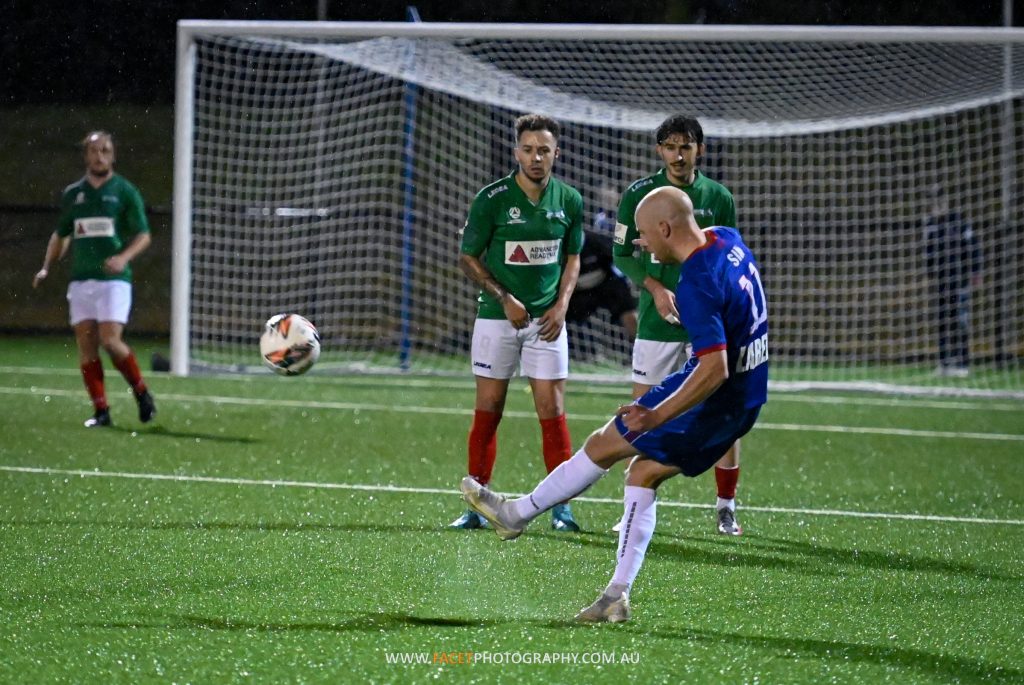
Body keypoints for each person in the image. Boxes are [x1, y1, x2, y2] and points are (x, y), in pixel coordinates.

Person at [460, 187, 769, 623]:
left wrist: (656, 414)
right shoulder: (725, 238)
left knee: (614, 443)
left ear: (665, 228)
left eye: (645, 234)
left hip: (721, 396)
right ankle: (612, 598)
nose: (641, 244)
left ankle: (517, 514)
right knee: (637, 467)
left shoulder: (698, 281)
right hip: (746, 386)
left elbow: (714, 368)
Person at [449, 113, 584, 532]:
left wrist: (561, 306)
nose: (536, 157)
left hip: (547, 323)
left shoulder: (570, 200)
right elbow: (468, 256)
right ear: (516, 152)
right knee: (489, 408)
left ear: (556, 153)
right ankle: (475, 503)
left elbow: (573, 257)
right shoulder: (492, 199)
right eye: (528, 149)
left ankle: (561, 509)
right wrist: (504, 297)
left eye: (544, 150)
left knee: (552, 409)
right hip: (496, 319)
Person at [613, 114, 745, 536]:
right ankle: (633, 508)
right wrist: (653, 287)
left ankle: (726, 506)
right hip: (655, 325)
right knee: (640, 413)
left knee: (723, 413)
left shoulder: (719, 197)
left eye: (686, 146)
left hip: (704, 324)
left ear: (699, 151)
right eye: (670, 146)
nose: (678, 154)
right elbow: (621, 254)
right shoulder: (638, 194)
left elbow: (725, 256)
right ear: (659, 151)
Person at [32, 131, 156, 428]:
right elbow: (61, 234)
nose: (99, 155)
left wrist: (123, 257)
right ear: (85, 155)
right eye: (93, 150)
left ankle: (141, 392)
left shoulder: (125, 191)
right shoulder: (73, 194)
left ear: (113, 155)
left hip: (114, 281)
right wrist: (46, 266)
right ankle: (101, 411)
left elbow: (144, 235)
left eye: (105, 150)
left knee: (111, 341)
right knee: (86, 345)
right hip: (81, 280)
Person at [923, 184, 981, 377]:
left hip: (960, 278)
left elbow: (972, 247)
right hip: (941, 280)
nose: (936, 205)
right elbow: (928, 252)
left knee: (960, 319)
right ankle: (944, 363)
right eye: (933, 202)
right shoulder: (930, 225)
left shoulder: (959, 222)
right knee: (942, 321)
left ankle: (963, 364)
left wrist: (975, 272)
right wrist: (930, 272)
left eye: (939, 201)